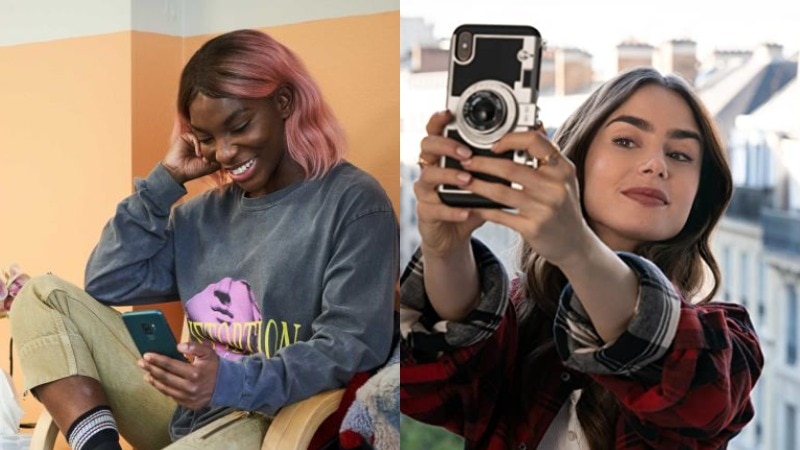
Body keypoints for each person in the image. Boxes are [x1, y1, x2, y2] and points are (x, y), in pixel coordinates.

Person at [10, 29, 398, 450]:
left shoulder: (355, 203)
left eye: (239, 126)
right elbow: (108, 281)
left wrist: (229, 381)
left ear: (283, 102)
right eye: (208, 138)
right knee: (40, 295)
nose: (226, 154)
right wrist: (165, 181)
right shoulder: (200, 214)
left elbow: (350, 348)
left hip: (272, 418)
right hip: (184, 409)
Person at [400, 67, 763, 449]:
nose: (657, 164)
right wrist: (445, 248)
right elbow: (429, 385)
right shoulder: (518, 319)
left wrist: (576, 246)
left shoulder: (726, 346)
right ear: (577, 158)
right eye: (626, 141)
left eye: (679, 154)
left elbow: (696, 396)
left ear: (700, 195)